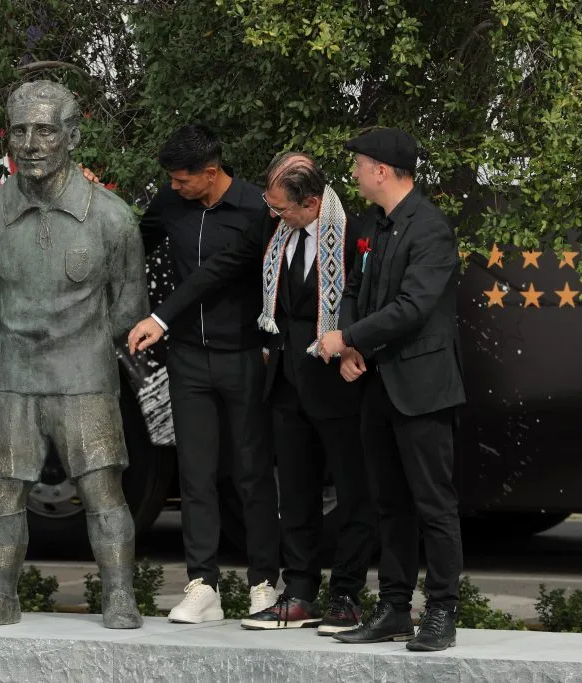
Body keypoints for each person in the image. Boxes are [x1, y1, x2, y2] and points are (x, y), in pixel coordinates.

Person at [129, 153, 377, 634]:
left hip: (338, 382)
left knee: (353, 493)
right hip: (286, 380)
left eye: (282, 208)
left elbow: (369, 293)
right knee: (299, 496)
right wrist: (162, 318)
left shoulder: (353, 231)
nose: (273, 214)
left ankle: (345, 596)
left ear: (310, 203)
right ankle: (300, 593)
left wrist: (353, 339)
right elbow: (216, 269)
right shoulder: (273, 228)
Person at [0, 80, 148, 630]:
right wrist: (24, 336)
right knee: (3, 492)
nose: (30, 143)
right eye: (19, 130)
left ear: (72, 137)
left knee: (103, 491)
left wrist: (76, 340)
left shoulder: (111, 218)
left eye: (45, 130)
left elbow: (128, 306)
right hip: (14, 376)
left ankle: (119, 596)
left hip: (86, 378)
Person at [317, 127, 466, 652]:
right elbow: (356, 289)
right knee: (390, 505)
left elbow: (413, 307)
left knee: (433, 504)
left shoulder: (430, 229)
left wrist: (348, 337)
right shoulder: (375, 226)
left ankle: (443, 611)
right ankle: (395, 609)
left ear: (382, 170)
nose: (354, 173)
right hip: (379, 385)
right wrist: (354, 350)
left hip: (422, 388)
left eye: (359, 164)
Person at [131, 124, 281, 624]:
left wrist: (159, 317)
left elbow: (220, 274)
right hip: (188, 359)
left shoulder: (257, 211)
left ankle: (264, 583)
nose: (174, 188)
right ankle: (203, 586)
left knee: (251, 473)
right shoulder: (170, 204)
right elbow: (129, 244)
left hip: (244, 356)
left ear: (211, 173)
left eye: (182, 180)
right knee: (195, 475)